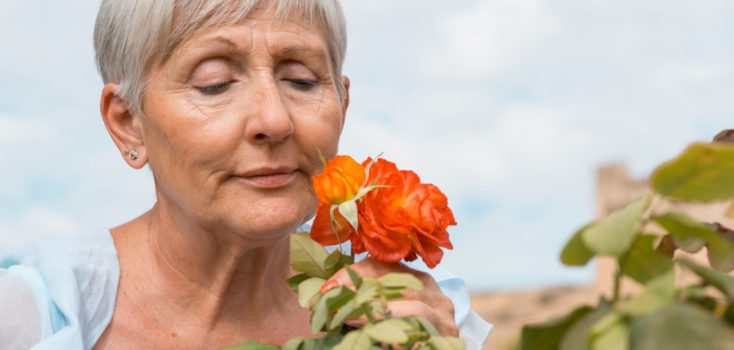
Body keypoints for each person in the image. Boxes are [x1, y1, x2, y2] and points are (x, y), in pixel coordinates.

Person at [0, 0, 491, 349]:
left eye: (301, 79)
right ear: (129, 123)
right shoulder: (29, 322)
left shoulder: (419, 316)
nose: (274, 120)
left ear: (342, 103)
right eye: (214, 84)